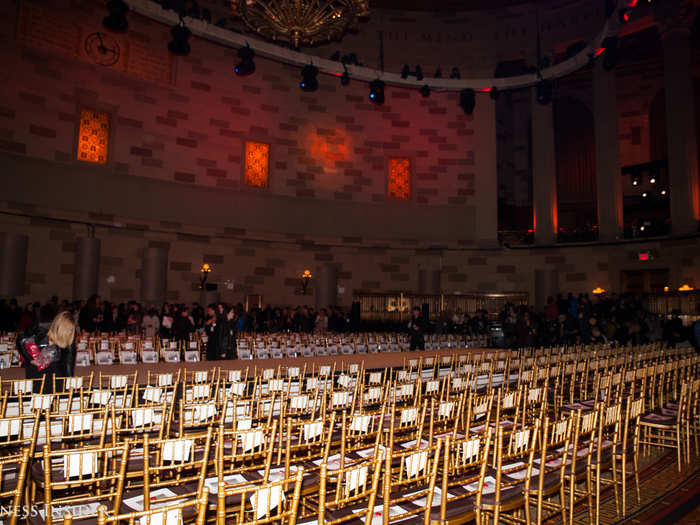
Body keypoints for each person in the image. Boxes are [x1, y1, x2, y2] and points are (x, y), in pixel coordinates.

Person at [17, 310, 75, 393]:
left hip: (56, 368)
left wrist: (69, 382)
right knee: (37, 396)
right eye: (68, 330)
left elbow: (69, 360)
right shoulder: (40, 327)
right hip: (36, 367)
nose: (69, 332)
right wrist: (30, 359)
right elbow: (20, 340)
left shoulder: (69, 336)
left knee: (57, 393)